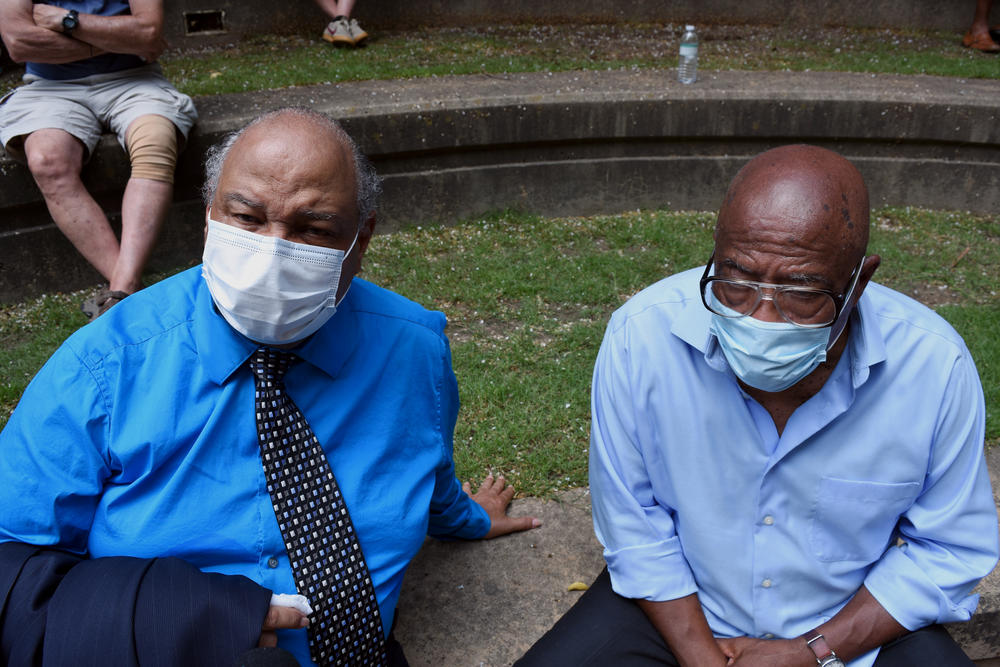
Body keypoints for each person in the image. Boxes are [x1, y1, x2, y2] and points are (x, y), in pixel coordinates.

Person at [0, 107, 540, 666]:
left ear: (361, 238)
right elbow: (11, 569)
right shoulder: (103, 368)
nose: (274, 253)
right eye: (247, 218)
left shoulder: (413, 349)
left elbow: (422, 461)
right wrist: (178, 614)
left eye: (314, 229)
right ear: (208, 218)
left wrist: (467, 519)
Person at [518, 145, 999, 667]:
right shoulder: (642, 339)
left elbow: (949, 548)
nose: (762, 317)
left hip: (849, 622)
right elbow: (635, 527)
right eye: (736, 281)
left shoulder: (933, 366)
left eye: (800, 291)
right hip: (678, 606)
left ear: (859, 283)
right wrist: (700, 655)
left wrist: (810, 652)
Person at [0, 0, 198, 320]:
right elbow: (19, 42)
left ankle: (121, 289)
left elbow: (148, 32)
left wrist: (64, 21)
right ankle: (128, 290)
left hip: (135, 78)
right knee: (48, 161)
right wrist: (115, 39)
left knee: (156, 141)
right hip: (49, 87)